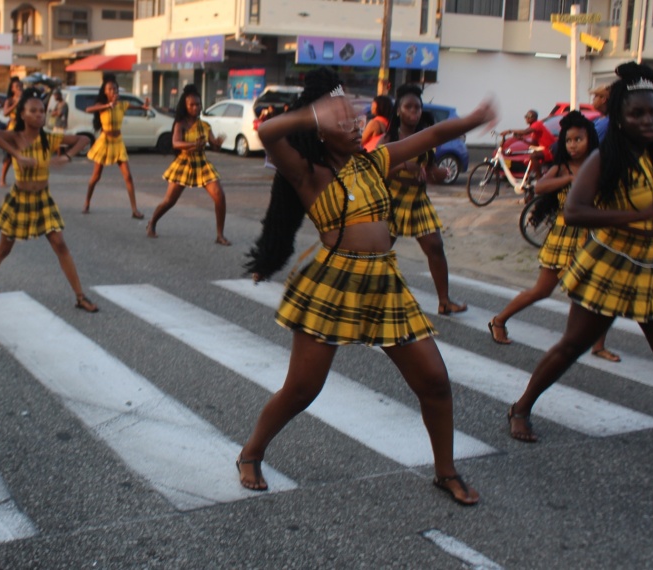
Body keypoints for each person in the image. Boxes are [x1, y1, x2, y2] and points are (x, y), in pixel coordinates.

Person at [237, 67, 496, 506]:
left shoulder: (375, 161)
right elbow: (269, 131)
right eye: (344, 120)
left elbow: (432, 138)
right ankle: (251, 452)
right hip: (332, 284)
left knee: (434, 381)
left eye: (356, 117)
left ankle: (445, 470)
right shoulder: (308, 174)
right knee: (302, 389)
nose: (357, 124)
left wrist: (475, 118)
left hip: (384, 281)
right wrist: (312, 114)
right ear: (320, 129)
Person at [506, 62, 653, 472]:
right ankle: (521, 407)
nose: (649, 120)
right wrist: (635, 218)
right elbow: (576, 210)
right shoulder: (604, 160)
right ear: (619, 118)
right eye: (638, 113)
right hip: (609, 262)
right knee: (572, 346)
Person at [488, 112, 619, 361]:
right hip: (563, 236)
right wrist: (569, 178)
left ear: (589, 139)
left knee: (597, 292)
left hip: (593, 238)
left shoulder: (600, 164)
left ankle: (596, 344)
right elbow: (539, 187)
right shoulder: (562, 167)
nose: (573, 145)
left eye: (578, 139)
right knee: (541, 290)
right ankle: (499, 320)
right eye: (568, 140)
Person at [0, 88, 99, 313]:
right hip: (20, 198)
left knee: (60, 244)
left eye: (41, 111)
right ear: (22, 115)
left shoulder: (50, 138)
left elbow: (83, 139)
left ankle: (80, 296)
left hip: (43, 199)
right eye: (33, 111)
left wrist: (66, 156)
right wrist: (17, 154)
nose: (38, 115)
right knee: (4, 249)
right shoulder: (15, 137)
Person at [385, 84, 469, 315]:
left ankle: (444, 301)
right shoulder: (389, 138)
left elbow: (429, 170)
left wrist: (437, 174)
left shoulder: (425, 138)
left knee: (435, 246)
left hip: (417, 200)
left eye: (418, 107)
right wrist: (404, 165)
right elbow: (376, 171)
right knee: (378, 253)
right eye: (408, 106)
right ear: (399, 111)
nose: (414, 111)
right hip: (391, 200)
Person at [146, 84, 229, 245]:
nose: (196, 107)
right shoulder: (180, 124)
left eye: (198, 104)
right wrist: (192, 146)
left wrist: (217, 143)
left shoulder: (205, 126)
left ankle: (220, 235)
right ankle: (152, 222)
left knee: (220, 195)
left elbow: (214, 146)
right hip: (184, 163)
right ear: (185, 106)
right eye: (192, 105)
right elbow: (176, 143)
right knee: (169, 201)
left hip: (202, 163)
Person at [83, 77, 151, 218]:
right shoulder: (102, 105)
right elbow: (89, 109)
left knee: (128, 176)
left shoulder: (121, 105)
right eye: (110, 89)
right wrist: (108, 105)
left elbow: (134, 107)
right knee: (96, 176)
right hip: (105, 141)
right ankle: (87, 203)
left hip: (118, 141)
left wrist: (142, 107)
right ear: (105, 91)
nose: (113, 91)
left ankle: (134, 210)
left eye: (115, 88)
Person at [0, 77, 23, 187]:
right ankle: (2, 178)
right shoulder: (10, 100)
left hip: (23, 129)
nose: (19, 88)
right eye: (16, 87)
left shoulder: (25, 100)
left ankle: (22, 180)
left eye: (20, 86)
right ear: (12, 89)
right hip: (12, 130)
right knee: (8, 157)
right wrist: (16, 104)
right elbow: (5, 113)